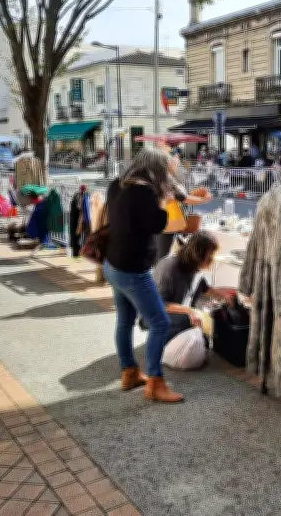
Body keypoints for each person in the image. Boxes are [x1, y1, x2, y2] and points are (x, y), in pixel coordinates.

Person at [103, 147, 183, 403]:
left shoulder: (118, 184)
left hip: (113, 264)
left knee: (125, 321)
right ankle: (155, 383)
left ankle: (129, 372)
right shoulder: (145, 192)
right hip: (133, 269)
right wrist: (165, 201)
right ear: (156, 169)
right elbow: (158, 224)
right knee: (160, 323)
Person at [152, 231, 234, 343]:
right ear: (198, 253)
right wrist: (190, 311)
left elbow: (205, 288)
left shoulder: (193, 266)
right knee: (188, 321)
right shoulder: (169, 267)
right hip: (155, 313)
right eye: (210, 254)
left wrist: (225, 295)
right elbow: (160, 304)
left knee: (204, 329)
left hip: (177, 309)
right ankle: (164, 346)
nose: (212, 258)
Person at [156, 153, 212, 260]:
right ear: (168, 163)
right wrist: (203, 199)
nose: (178, 164)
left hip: (174, 223)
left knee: (177, 255)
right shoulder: (166, 178)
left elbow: (180, 198)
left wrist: (195, 195)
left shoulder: (168, 177)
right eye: (175, 161)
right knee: (163, 257)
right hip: (168, 224)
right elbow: (183, 198)